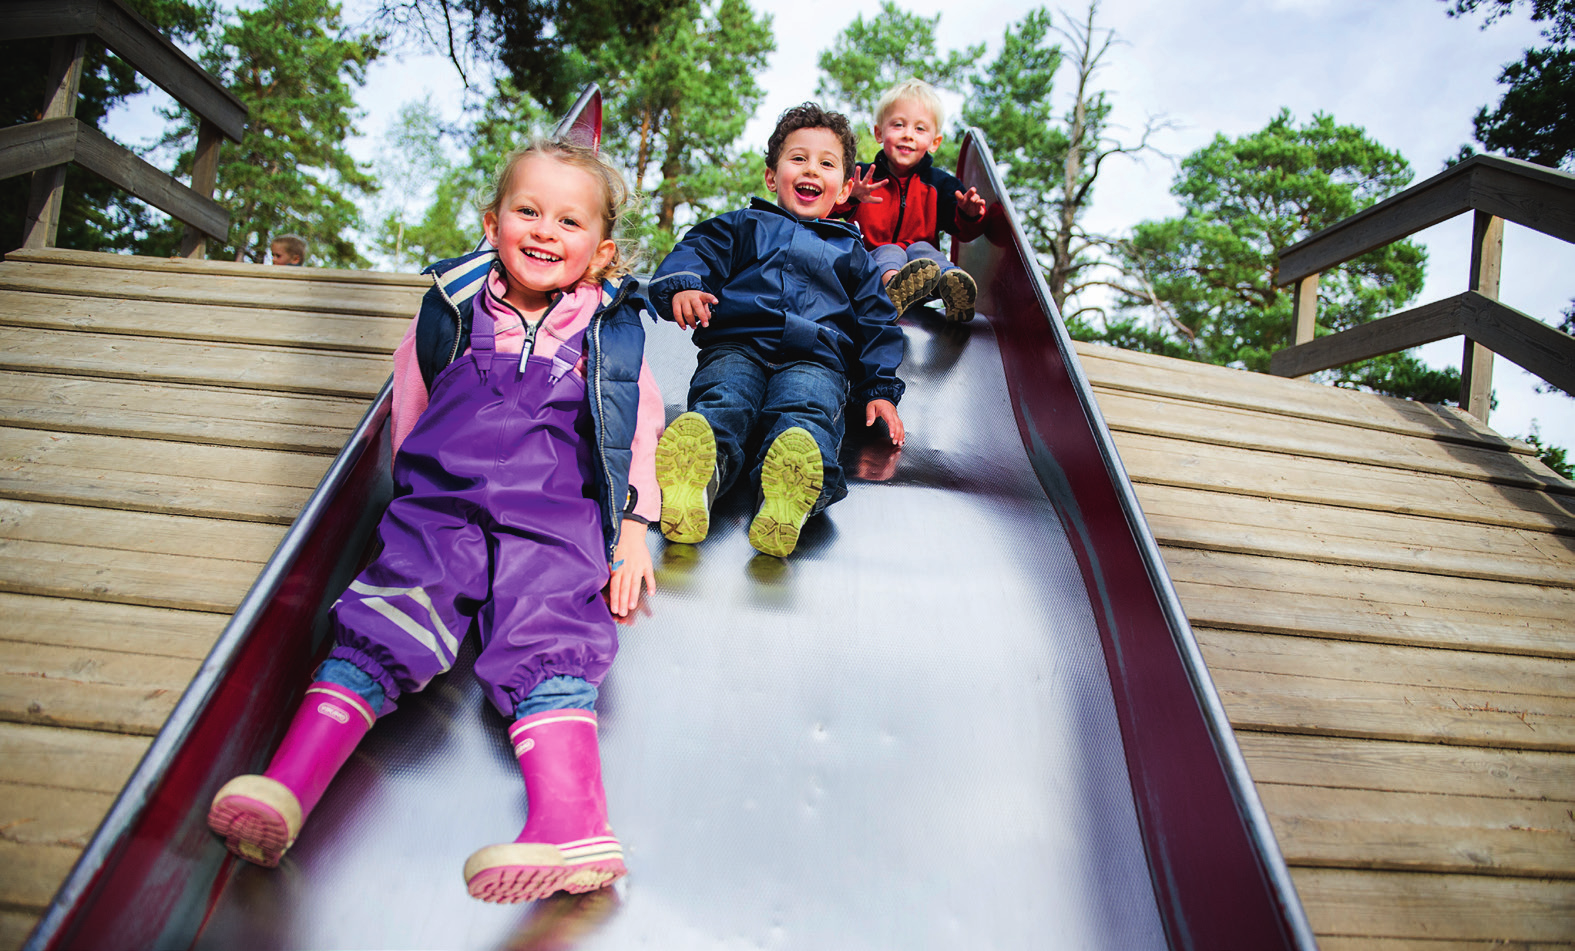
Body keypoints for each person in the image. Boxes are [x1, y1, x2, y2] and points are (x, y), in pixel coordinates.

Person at [207, 139, 663, 905]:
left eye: (568, 220)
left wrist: (633, 526)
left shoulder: (607, 330)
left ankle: (572, 824)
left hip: (551, 513)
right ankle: (288, 788)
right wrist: (401, 498)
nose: (545, 230)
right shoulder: (452, 305)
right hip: (441, 505)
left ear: (600, 249)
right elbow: (409, 406)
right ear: (492, 222)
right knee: (386, 612)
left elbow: (635, 426)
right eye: (528, 211)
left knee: (548, 631)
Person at [648, 102, 906, 559]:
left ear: (846, 186)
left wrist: (879, 388)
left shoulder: (854, 254)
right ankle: (697, 480)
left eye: (826, 163)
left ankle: (787, 501)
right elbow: (698, 249)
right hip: (737, 344)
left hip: (817, 359)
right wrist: (684, 286)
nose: (811, 169)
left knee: (803, 418)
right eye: (798, 158)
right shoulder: (745, 225)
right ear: (772, 176)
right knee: (723, 402)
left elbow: (876, 320)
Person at [833, 78, 989, 321]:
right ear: (879, 133)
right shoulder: (863, 176)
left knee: (923, 249)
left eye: (920, 129)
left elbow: (964, 232)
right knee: (891, 250)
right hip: (870, 271)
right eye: (898, 125)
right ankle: (893, 291)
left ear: (935, 142)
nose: (908, 135)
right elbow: (824, 211)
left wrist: (969, 213)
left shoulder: (940, 185)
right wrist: (850, 196)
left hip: (924, 278)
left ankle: (952, 285)